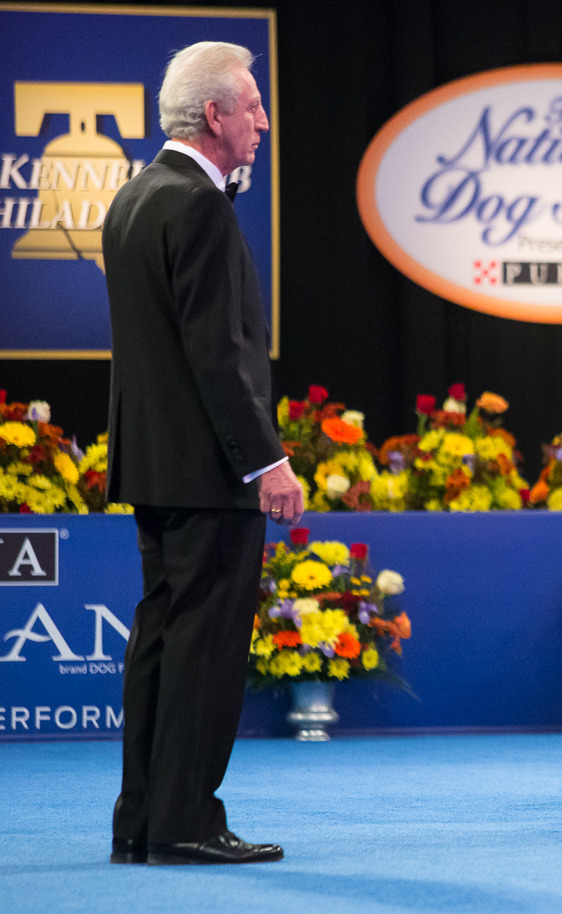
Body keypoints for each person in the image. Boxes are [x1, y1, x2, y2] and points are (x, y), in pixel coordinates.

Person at [103, 41, 304, 865]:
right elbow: (217, 355)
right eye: (251, 108)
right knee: (204, 649)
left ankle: (143, 823)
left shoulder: (133, 197)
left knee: (160, 639)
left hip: (154, 468)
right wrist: (268, 461)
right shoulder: (200, 206)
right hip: (211, 472)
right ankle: (186, 823)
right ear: (214, 115)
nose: (261, 122)